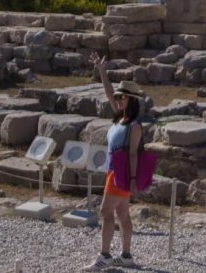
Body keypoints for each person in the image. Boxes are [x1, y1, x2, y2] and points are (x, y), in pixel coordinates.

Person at [85, 52, 144, 270]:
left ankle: (105, 255)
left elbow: (133, 154)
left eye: (122, 97)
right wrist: (102, 70)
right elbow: (109, 93)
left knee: (105, 212)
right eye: (118, 97)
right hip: (115, 172)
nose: (118, 99)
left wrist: (133, 179)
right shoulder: (120, 118)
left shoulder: (134, 125)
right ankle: (126, 255)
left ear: (132, 100)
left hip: (122, 174)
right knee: (122, 213)